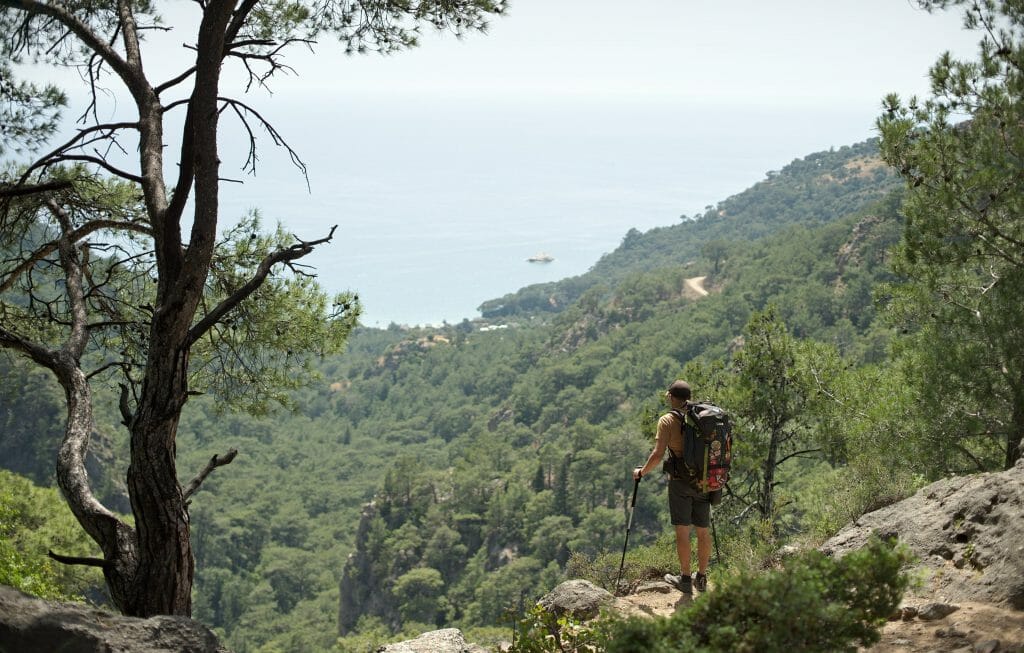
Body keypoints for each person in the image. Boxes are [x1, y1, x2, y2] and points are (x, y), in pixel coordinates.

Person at [633, 379, 711, 595]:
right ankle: (702, 578)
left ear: (671, 397)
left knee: (682, 531)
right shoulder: (704, 416)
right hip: (705, 480)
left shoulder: (667, 421)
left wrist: (642, 472)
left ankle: (685, 579)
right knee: (703, 530)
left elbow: (658, 454)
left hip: (681, 482)